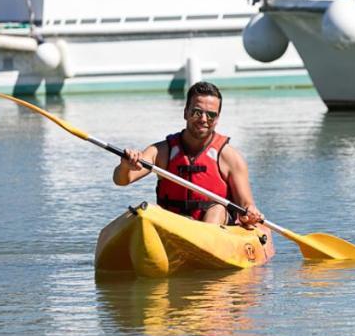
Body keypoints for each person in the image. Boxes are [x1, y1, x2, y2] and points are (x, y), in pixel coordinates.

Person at [113, 81, 265, 229]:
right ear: (186, 113)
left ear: (217, 119)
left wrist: (250, 213)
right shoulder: (162, 151)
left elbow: (246, 204)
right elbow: (121, 180)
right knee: (149, 210)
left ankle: (202, 249)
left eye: (211, 115)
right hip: (174, 225)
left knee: (217, 209)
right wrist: (126, 166)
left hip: (215, 229)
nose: (203, 119)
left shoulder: (230, 157)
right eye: (197, 112)